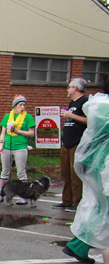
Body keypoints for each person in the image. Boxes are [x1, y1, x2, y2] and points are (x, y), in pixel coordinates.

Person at [61, 72, 109, 264]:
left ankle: (79, 245)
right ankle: (79, 245)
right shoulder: (104, 107)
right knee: (102, 208)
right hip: (103, 164)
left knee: (100, 206)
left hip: (95, 162)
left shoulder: (98, 104)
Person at [0, 95, 35, 204]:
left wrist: (17, 131)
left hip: (20, 147)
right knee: (5, 171)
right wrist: (1, 145)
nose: (22, 107)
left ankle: (24, 196)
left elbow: (31, 133)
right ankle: (0, 194)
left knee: (21, 171)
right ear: (14, 106)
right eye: (20, 105)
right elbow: (3, 133)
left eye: (24, 105)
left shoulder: (28, 117)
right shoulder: (7, 117)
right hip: (7, 146)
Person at [56, 78, 88, 212]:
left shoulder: (85, 102)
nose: (67, 89)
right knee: (65, 174)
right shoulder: (71, 103)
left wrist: (72, 115)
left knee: (75, 174)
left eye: (69, 87)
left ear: (75, 88)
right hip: (67, 143)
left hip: (77, 143)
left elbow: (89, 120)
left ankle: (77, 202)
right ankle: (66, 200)